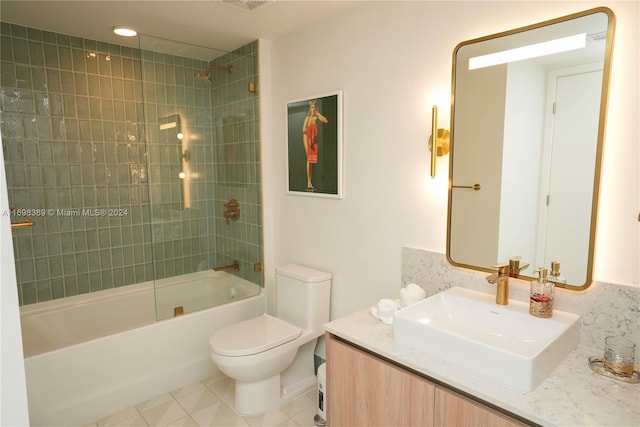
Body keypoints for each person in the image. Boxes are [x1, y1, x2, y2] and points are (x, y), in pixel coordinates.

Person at [302, 99, 328, 191]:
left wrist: (318, 114)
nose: (313, 109)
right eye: (312, 107)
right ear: (310, 108)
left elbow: (325, 121)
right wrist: (310, 129)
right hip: (307, 137)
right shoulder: (307, 118)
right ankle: (308, 181)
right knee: (309, 158)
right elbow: (303, 129)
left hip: (313, 139)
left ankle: (310, 181)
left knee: (311, 161)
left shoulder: (316, 117)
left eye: (314, 107)